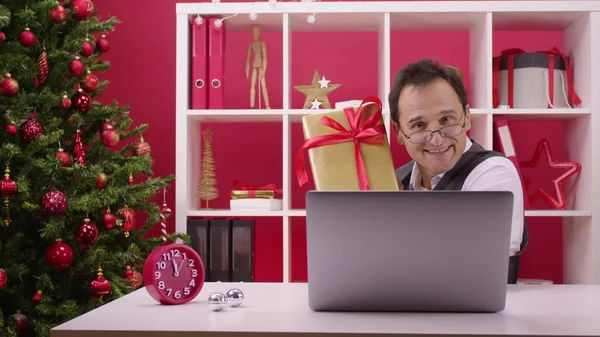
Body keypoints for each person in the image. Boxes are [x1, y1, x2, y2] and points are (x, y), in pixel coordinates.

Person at [389, 58, 527, 283]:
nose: (436, 138)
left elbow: (472, 265)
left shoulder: (494, 173)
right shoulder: (398, 179)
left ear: (467, 116)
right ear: (398, 132)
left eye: (446, 119)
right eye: (419, 125)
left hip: (474, 317)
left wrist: (392, 218)